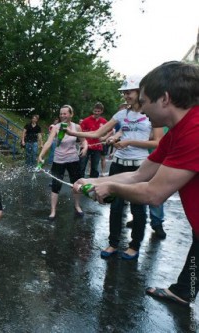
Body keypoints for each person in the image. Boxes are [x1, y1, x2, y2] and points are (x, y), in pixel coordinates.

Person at [74, 61, 199, 306]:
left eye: (143, 101)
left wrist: (110, 188)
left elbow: (153, 193)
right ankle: (184, 292)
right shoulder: (176, 132)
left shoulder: (194, 130)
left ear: (164, 99)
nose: (141, 111)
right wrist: (95, 180)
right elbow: (139, 175)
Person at [67, 75, 164, 260]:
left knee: (137, 208)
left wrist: (129, 142)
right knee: (115, 205)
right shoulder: (121, 114)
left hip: (140, 165)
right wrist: (73, 132)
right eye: (124, 92)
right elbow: (97, 133)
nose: (126, 95)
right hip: (119, 163)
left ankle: (134, 246)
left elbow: (159, 143)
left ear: (139, 92)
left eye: (129, 92)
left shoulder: (151, 113)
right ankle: (113, 243)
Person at [38, 105, 87, 220]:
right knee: (55, 186)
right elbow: (49, 142)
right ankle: (53, 210)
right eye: (61, 113)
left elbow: (84, 141)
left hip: (73, 160)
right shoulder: (56, 127)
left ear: (71, 114)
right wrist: (41, 155)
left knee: (76, 184)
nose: (62, 116)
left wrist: (85, 148)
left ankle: (77, 206)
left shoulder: (77, 127)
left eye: (65, 113)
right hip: (58, 160)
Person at [79, 102, 108, 178]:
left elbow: (111, 130)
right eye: (95, 111)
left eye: (98, 111)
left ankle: (93, 184)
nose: (96, 113)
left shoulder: (104, 121)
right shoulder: (86, 120)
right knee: (81, 165)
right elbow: (80, 132)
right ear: (93, 110)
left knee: (94, 167)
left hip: (97, 147)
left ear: (101, 111)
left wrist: (104, 138)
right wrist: (82, 142)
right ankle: (79, 182)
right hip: (86, 146)